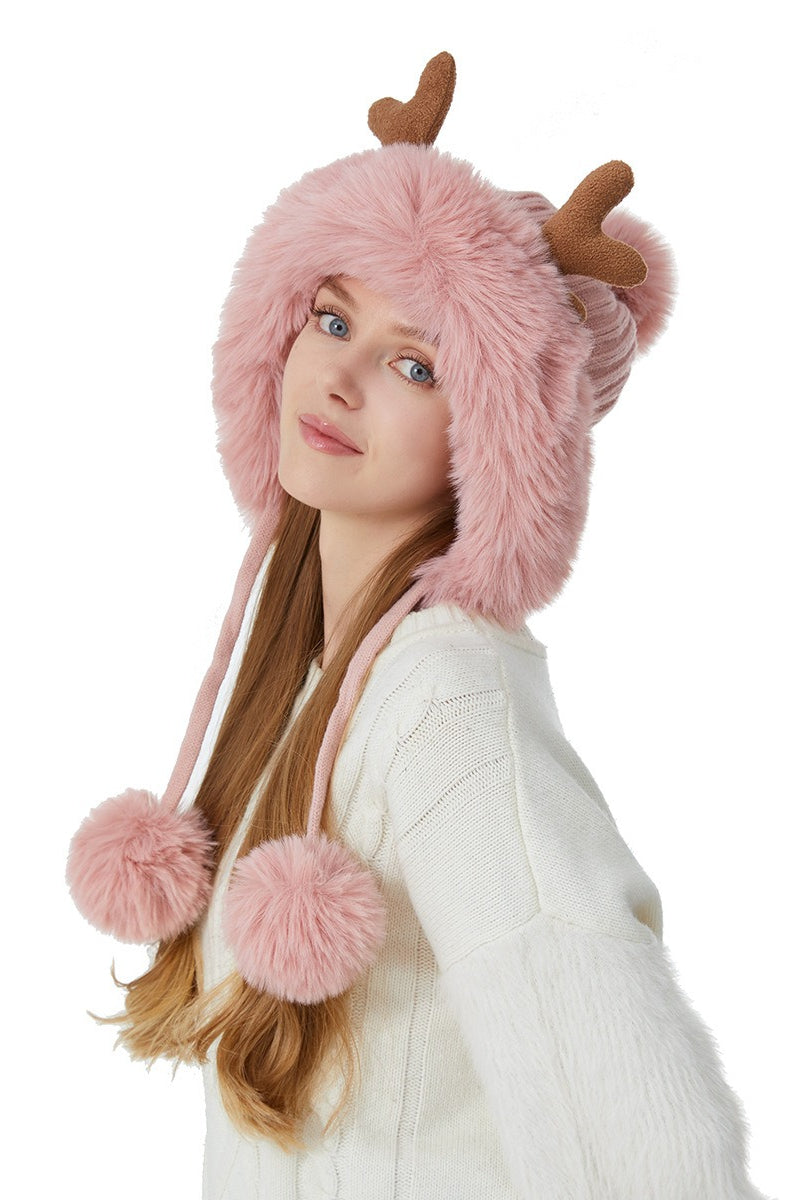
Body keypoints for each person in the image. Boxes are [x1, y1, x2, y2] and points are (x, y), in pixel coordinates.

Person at [67, 52, 772, 1199]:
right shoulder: (309, 674)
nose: (339, 377)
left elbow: (628, 1122)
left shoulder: (445, 700)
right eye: (330, 316)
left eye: (413, 364)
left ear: (492, 442)